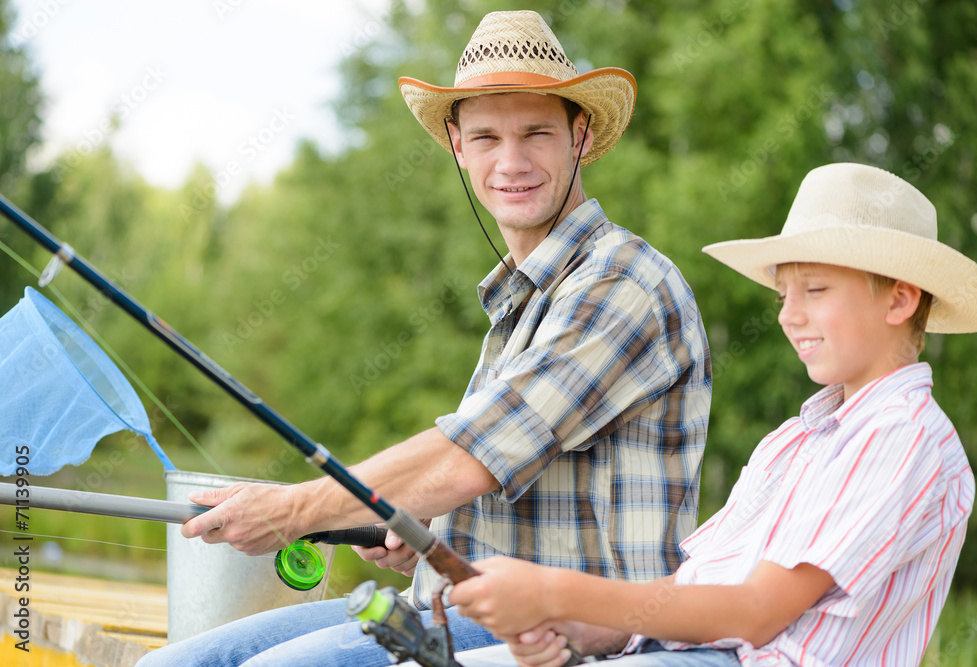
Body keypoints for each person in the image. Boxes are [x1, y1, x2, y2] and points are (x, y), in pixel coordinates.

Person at [137, 10, 711, 666]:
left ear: (580, 136)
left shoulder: (622, 283)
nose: (512, 161)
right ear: (457, 144)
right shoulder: (526, 298)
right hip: (454, 606)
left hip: (572, 637)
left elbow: (471, 455)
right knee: (169, 663)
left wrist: (298, 510)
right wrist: (418, 529)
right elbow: (503, 482)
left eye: (537, 134)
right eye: (487, 137)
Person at [437, 162, 977, 667]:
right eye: (783, 296)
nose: (789, 316)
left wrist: (552, 593)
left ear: (900, 300)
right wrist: (583, 630)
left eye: (816, 290)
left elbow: (755, 613)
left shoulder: (902, 435)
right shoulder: (793, 442)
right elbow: (696, 587)